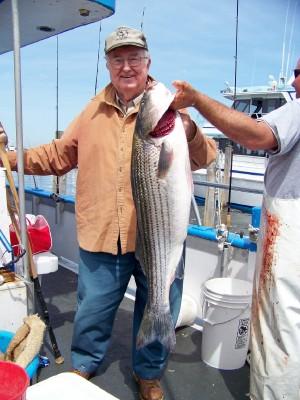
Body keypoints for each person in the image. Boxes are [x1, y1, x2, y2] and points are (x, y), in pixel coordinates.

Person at [0, 27, 216, 400]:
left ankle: (149, 374)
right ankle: (84, 364)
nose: (127, 66)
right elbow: (58, 155)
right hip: (102, 232)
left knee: (159, 305)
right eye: (118, 59)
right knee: (91, 311)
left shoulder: (170, 110)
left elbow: (206, 156)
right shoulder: (92, 111)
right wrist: (10, 158)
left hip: (159, 237)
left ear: (148, 62)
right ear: (108, 65)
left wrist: (191, 128)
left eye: (134, 58)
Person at [171, 58, 300, 400]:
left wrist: (197, 99)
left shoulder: (298, 110)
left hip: (291, 241)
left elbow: (259, 135)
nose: (294, 79)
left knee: (281, 331)